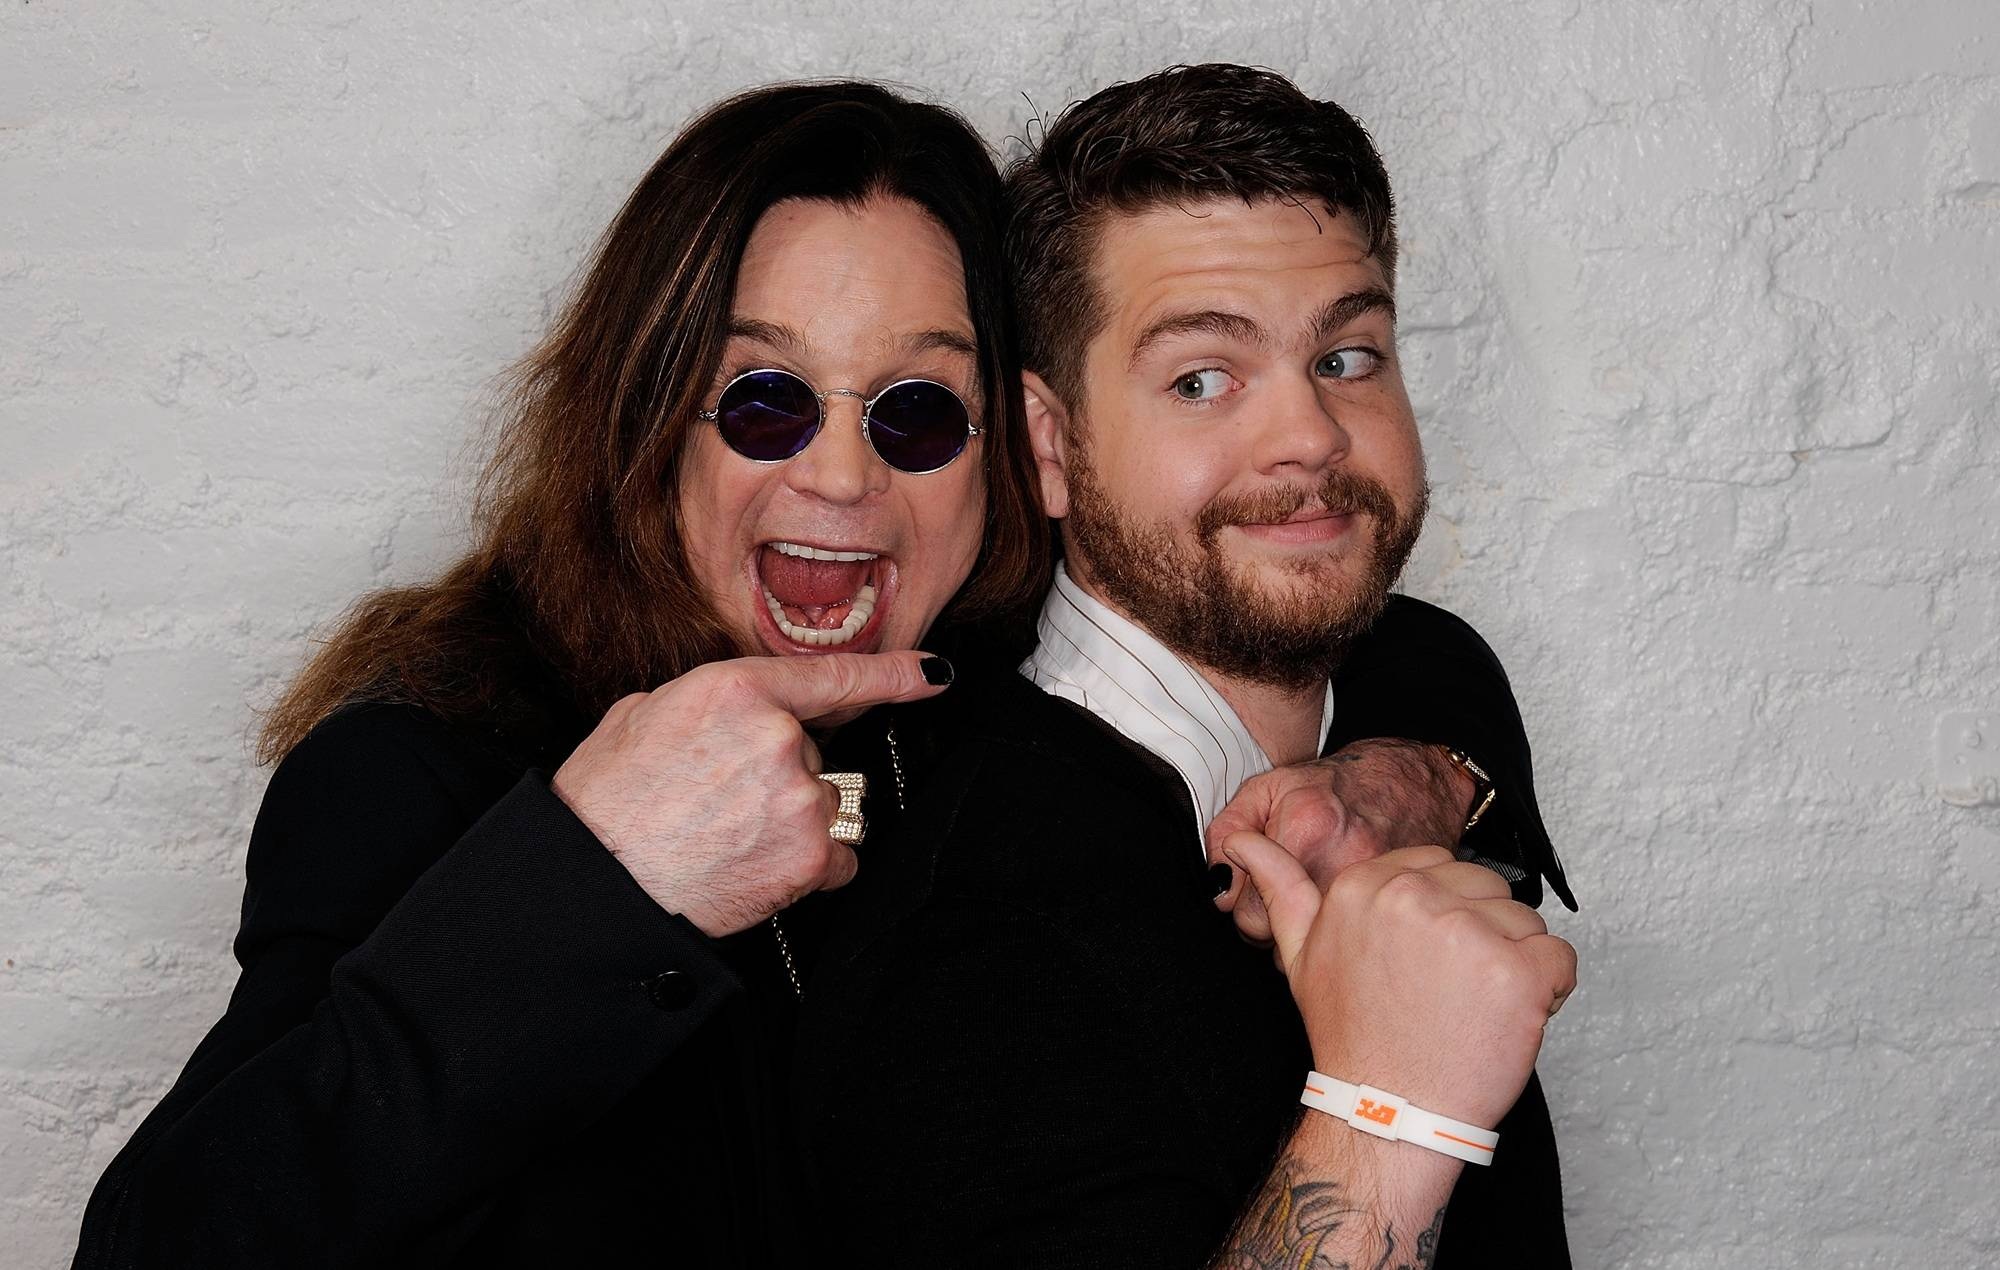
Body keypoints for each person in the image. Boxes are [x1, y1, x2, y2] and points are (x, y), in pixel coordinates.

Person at [70, 78, 1541, 1268]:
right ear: (648, 420)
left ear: (1013, 455)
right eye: (764, 399)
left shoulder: (973, 695)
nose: (841, 473)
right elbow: (167, 1240)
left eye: (916, 410)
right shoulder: (423, 772)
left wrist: (1415, 769)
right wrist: (595, 876)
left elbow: (1301, 586)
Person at [793, 64, 1579, 1268]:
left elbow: (1420, 649)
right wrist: (1394, 1115)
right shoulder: (980, 953)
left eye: (1346, 357)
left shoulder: (1392, 699)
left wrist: (1424, 774)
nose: (1308, 435)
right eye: (1200, 379)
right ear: (1050, 445)